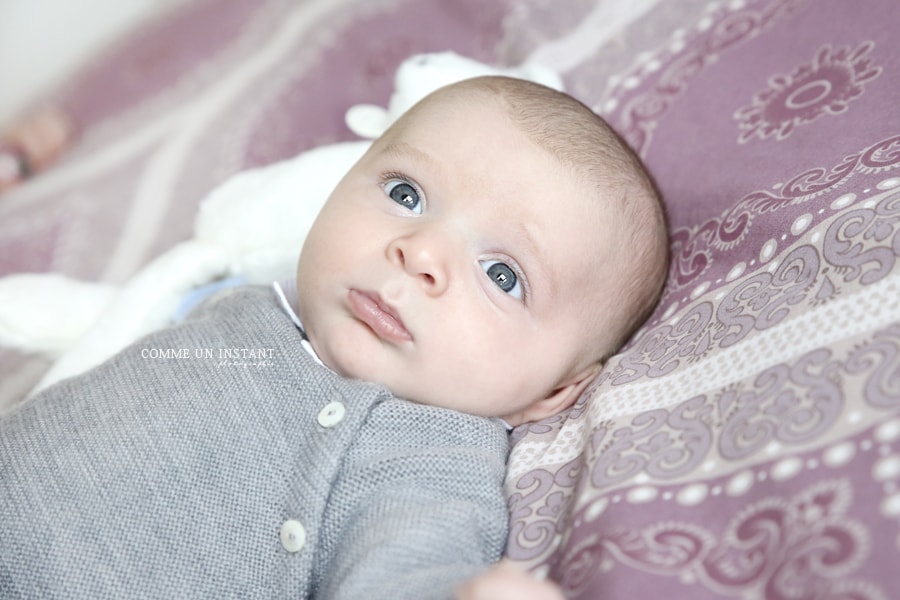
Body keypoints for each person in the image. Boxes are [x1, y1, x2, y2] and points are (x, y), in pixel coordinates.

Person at [0, 75, 668, 599]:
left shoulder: (424, 452)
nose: (420, 251)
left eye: (502, 274)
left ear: (556, 388)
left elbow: (402, 571)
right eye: (406, 194)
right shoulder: (245, 310)